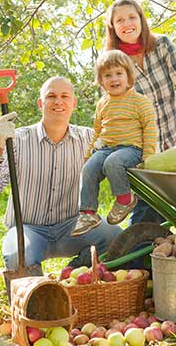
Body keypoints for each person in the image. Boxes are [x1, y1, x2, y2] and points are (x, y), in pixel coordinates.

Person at [0, 76, 122, 270]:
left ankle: (75, 272)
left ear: (73, 103)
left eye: (65, 96)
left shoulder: (89, 139)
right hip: (28, 229)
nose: (58, 101)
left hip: (73, 227)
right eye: (51, 96)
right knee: (16, 257)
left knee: (115, 237)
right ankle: (39, 295)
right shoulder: (17, 140)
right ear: (40, 103)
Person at [104, 0, 176, 223]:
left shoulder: (162, 45)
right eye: (120, 20)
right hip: (142, 148)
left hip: (174, 139)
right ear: (113, 28)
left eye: (131, 17)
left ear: (141, 19)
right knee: (147, 208)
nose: (127, 23)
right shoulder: (112, 62)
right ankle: (138, 254)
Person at [70, 50, 157, 236]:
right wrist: (88, 154)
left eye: (119, 73)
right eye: (107, 75)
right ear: (101, 81)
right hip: (107, 148)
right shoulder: (103, 103)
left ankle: (125, 199)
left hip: (132, 149)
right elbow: (98, 131)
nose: (114, 79)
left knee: (113, 162)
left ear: (128, 77)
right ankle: (88, 213)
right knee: (88, 169)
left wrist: (148, 156)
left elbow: (150, 129)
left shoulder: (140, 102)